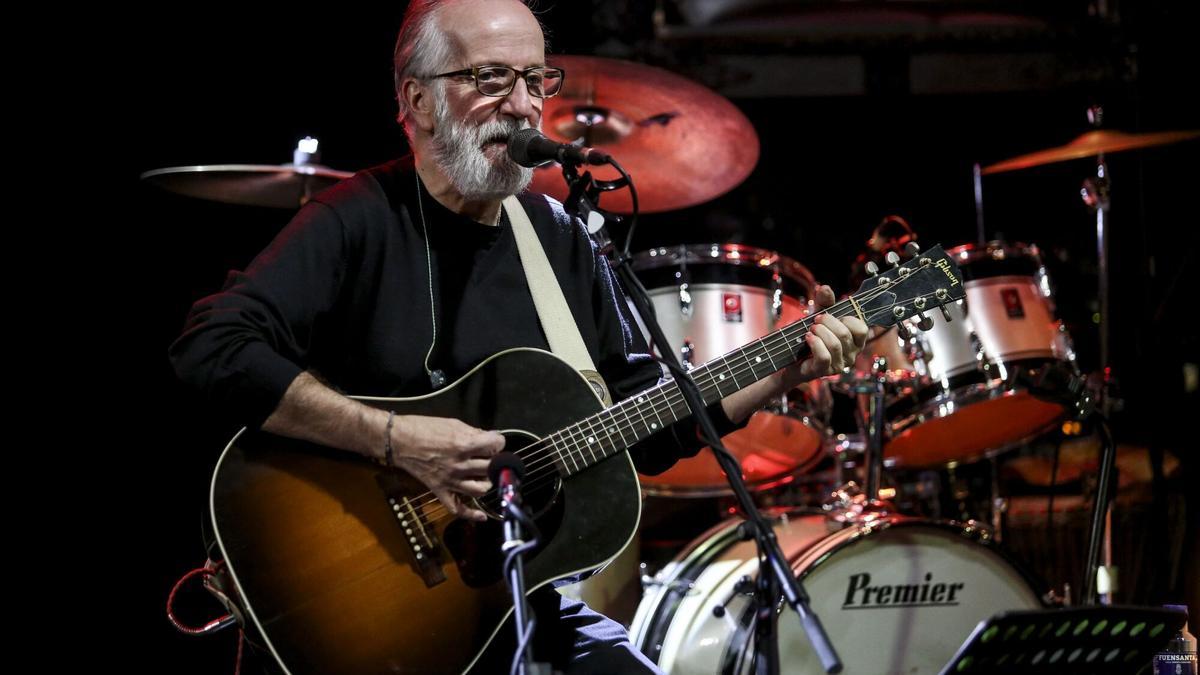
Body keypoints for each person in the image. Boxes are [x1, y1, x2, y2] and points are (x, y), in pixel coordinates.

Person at [169, 0, 868, 671]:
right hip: (374, 611)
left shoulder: (558, 238)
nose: (524, 103)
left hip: (523, 611)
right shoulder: (358, 218)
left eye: (535, 80)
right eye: (490, 78)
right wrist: (393, 438)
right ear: (417, 102)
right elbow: (212, 345)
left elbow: (650, 426)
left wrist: (784, 371)